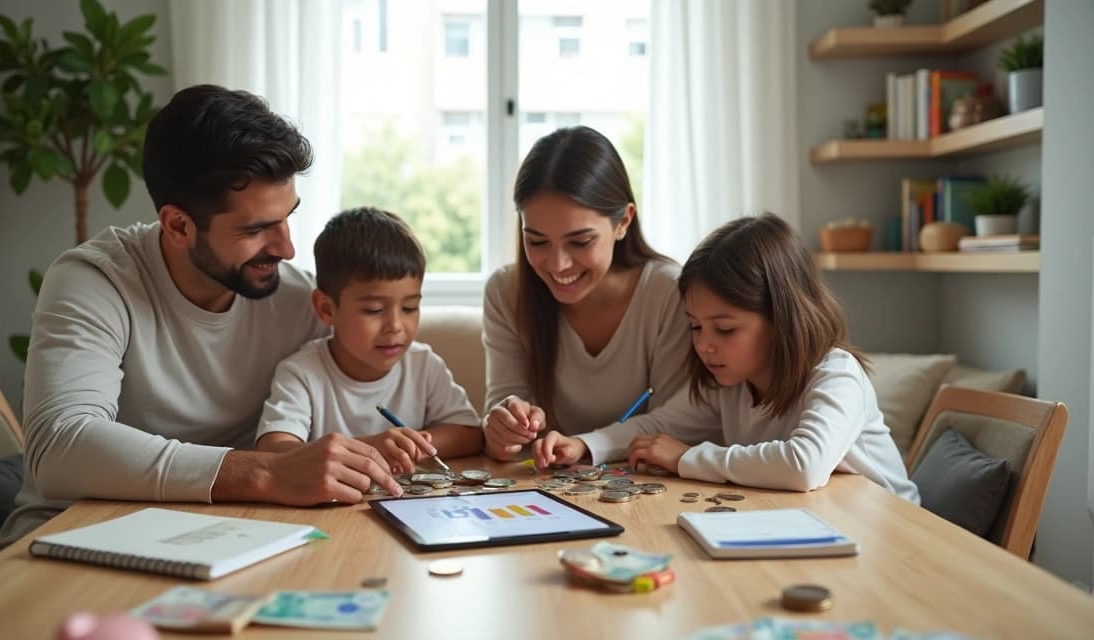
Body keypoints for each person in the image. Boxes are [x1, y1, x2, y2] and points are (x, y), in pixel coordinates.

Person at [0, 85, 403, 552]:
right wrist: (265, 472)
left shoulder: (295, 298)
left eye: (287, 217)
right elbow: (61, 449)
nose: (286, 248)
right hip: (70, 536)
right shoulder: (94, 281)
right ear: (178, 225)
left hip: (224, 534)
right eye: (255, 229)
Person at [532, 214, 919, 502]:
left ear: (782, 317)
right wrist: (584, 445)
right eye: (696, 327)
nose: (705, 346)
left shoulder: (836, 374)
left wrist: (687, 458)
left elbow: (804, 465)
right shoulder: (729, 382)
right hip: (823, 522)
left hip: (899, 536)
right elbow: (661, 424)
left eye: (725, 329)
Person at [481, 126, 692, 460]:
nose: (558, 264)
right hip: (547, 489)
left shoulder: (669, 292)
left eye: (580, 242)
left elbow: (678, 423)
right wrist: (504, 428)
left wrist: (588, 445)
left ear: (623, 221)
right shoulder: (505, 292)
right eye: (536, 241)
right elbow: (505, 418)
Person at [255, 207, 483, 472]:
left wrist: (410, 446)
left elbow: (470, 434)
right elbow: (273, 449)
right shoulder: (302, 373)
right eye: (374, 310)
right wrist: (370, 449)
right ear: (327, 309)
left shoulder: (423, 365)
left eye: (410, 308)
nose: (396, 326)